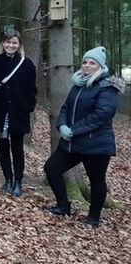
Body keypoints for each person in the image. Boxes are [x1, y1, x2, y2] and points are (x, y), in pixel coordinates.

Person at [44, 47, 123, 228]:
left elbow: (101, 115)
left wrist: (74, 129)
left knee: (96, 180)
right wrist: (62, 125)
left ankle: (93, 217)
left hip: (96, 143)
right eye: (85, 62)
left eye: (92, 63)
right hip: (73, 142)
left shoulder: (107, 87)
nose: (87, 65)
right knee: (51, 168)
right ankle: (63, 205)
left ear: (100, 66)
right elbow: (65, 107)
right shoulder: (78, 84)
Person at [0, 29, 37, 196]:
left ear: (19, 45)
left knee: (17, 148)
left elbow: (31, 90)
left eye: (14, 43)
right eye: (8, 42)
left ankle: (18, 181)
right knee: (2, 147)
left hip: (18, 112)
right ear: (3, 43)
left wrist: (28, 106)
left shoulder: (26, 64)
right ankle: (8, 179)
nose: (10, 45)